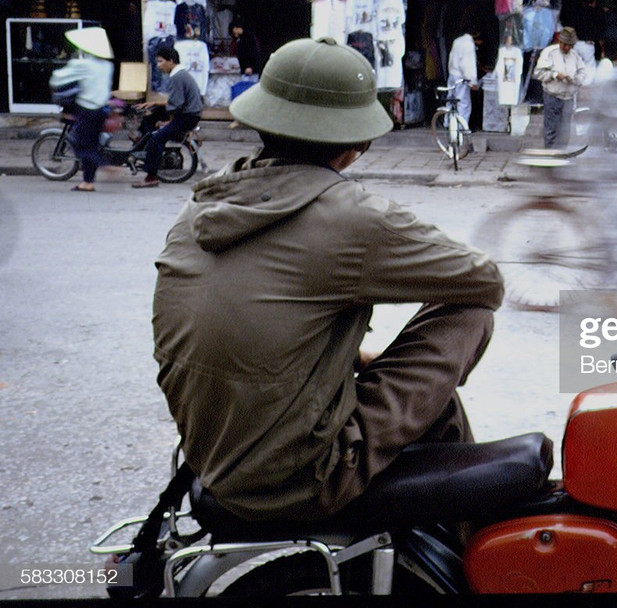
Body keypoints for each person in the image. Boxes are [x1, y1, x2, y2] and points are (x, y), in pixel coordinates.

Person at [152, 36, 504, 522]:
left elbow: (258, 326)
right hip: (300, 475)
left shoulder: (203, 205)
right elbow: (484, 281)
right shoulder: (351, 217)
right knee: (470, 311)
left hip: (214, 453)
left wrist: (357, 355)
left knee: (432, 403)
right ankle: (469, 535)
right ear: (356, 146)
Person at [48, 27, 115, 192]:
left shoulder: (82, 64)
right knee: (92, 144)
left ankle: (106, 165)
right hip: (101, 111)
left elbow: (58, 78)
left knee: (81, 145)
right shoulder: (107, 65)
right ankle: (88, 182)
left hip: (86, 110)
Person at [133, 45, 204, 188]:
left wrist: (167, 122)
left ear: (171, 61)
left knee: (157, 139)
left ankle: (151, 177)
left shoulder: (177, 77)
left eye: (160, 62)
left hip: (187, 117)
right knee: (151, 113)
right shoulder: (181, 75)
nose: (159, 66)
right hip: (188, 113)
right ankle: (141, 137)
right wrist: (154, 103)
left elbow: (176, 104)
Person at [533, 26, 587, 148]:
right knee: (551, 128)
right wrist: (555, 75)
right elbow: (538, 73)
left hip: (568, 97)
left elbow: (583, 73)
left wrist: (575, 79)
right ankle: (550, 153)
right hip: (552, 95)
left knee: (565, 130)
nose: (567, 48)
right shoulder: (549, 53)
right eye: (565, 45)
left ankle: (561, 153)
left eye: (570, 45)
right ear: (559, 42)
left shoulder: (575, 55)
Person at [447, 28, 482, 127]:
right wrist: (472, 82)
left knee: (451, 100)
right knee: (463, 104)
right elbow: (468, 65)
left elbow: (451, 58)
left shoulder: (457, 41)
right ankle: (461, 127)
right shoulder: (469, 45)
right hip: (461, 77)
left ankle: (448, 123)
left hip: (452, 73)